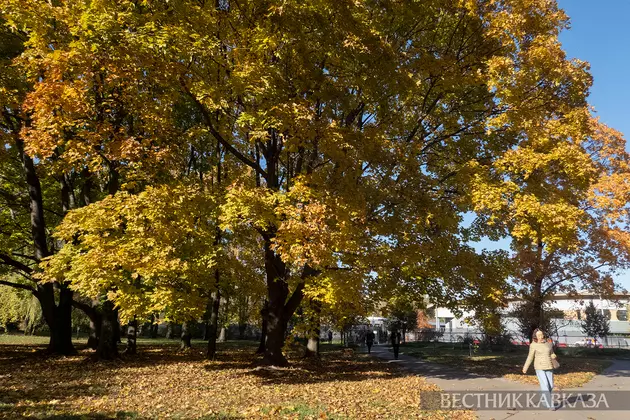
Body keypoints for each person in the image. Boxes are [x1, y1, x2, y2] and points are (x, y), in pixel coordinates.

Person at [522, 328, 558, 410]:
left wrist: (554, 356)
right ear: (535, 336)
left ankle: (544, 399)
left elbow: (552, 353)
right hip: (539, 367)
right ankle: (550, 405)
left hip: (549, 366)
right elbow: (530, 357)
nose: (540, 336)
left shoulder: (548, 343)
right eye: (538, 335)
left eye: (541, 334)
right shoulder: (533, 345)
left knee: (551, 386)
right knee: (545, 385)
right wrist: (525, 367)